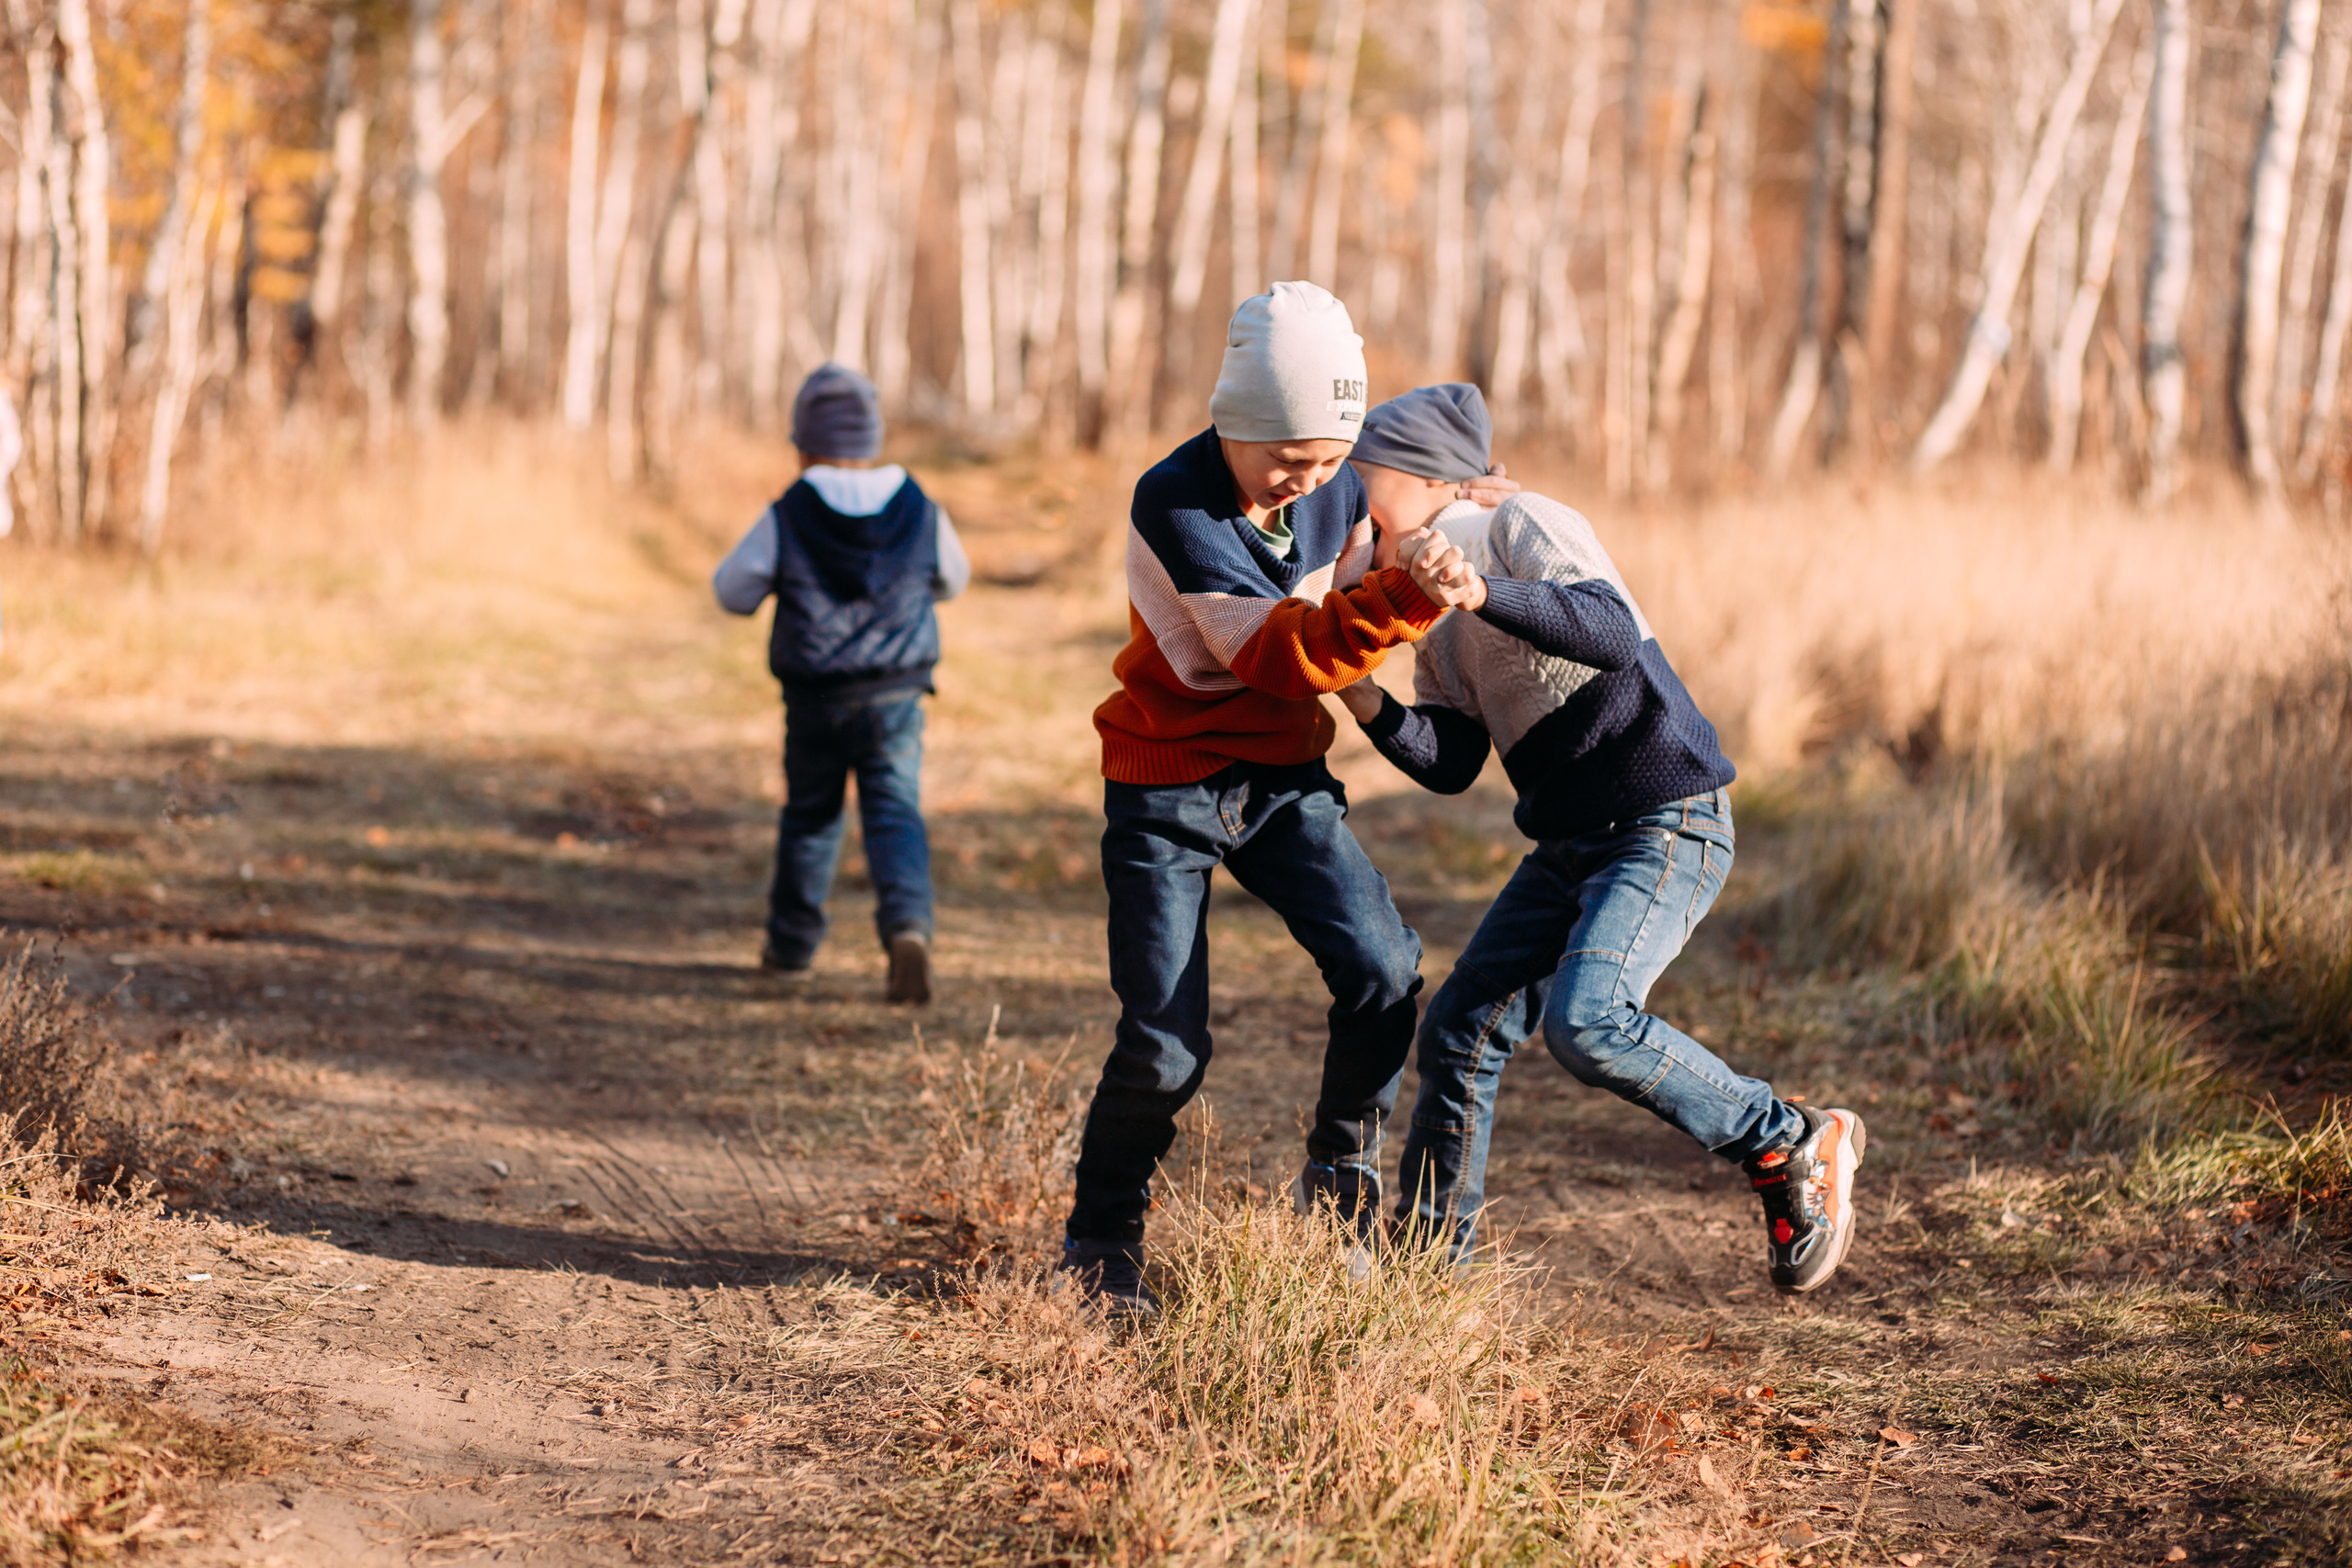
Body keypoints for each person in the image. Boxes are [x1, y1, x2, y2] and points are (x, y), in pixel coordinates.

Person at [1338, 383, 1866, 1296]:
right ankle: (1431, 1269)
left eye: (1361, 478)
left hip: (1668, 818)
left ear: (1426, 480)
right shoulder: (1430, 620)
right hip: (1570, 846)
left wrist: (1481, 589)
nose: (1346, 502)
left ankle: (1788, 1140)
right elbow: (1452, 760)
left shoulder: (1520, 524)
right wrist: (1358, 695)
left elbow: (1610, 630)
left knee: (1589, 1021)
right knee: (1460, 1028)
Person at [1062, 283, 1513, 1316]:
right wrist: (1408, 596)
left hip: (1280, 780)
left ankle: (1340, 1176)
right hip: (1166, 783)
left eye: (1328, 459)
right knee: (1165, 1045)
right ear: (1233, 420)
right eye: (1287, 459)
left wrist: (1456, 509)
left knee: (1384, 969)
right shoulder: (1175, 503)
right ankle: (1100, 1240)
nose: (1308, 481)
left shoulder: (1335, 484)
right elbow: (1277, 656)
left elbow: (1378, 544)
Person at [713, 362, 969, 1006]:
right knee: (895, 812)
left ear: (803, 443)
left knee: (810, 817)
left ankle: (791, 949)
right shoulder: (917, 505)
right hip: (896, 695)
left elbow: (732, 591)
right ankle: (907, 928)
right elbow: (952, 578)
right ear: (872, 437)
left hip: (817, 699)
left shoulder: (790, 510)